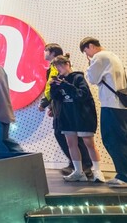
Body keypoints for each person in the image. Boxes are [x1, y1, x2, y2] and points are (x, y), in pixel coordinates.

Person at [48, 55, 106, 183]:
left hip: (82, 116)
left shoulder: (78, 78)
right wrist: (54, 87)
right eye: (57, 66)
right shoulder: (60, 80)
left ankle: (97, 171)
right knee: (71, 144)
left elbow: (82, 95)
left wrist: (65, 85)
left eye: (61, 65)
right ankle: (78, 171)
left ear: (67, 64)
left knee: (89, 143)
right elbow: (56, 98)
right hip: (67, 117)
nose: (59, 68)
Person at [39, 43, 92, 178]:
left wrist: (45, 103)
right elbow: (53, 90)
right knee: (66, 136)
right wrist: (51, 106)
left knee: (72, 137)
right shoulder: (53, 67)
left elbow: (57, 87)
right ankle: (77, 165)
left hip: (67, 108)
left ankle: (84, 165)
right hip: (59, 105)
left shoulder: (59, 67)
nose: (44, 53)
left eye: (46, 50)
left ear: (52, 52)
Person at [80, 37, 127, 188]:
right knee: (121, 138)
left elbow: (92, 79)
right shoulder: (113, 56)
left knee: (112, 139)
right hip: (120, 105)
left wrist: (90, 64)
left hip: (110, 104)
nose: (87, 55)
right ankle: (122, 174)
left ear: (91, 46)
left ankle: (124, 176)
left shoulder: (99, 57)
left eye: (86, 51)